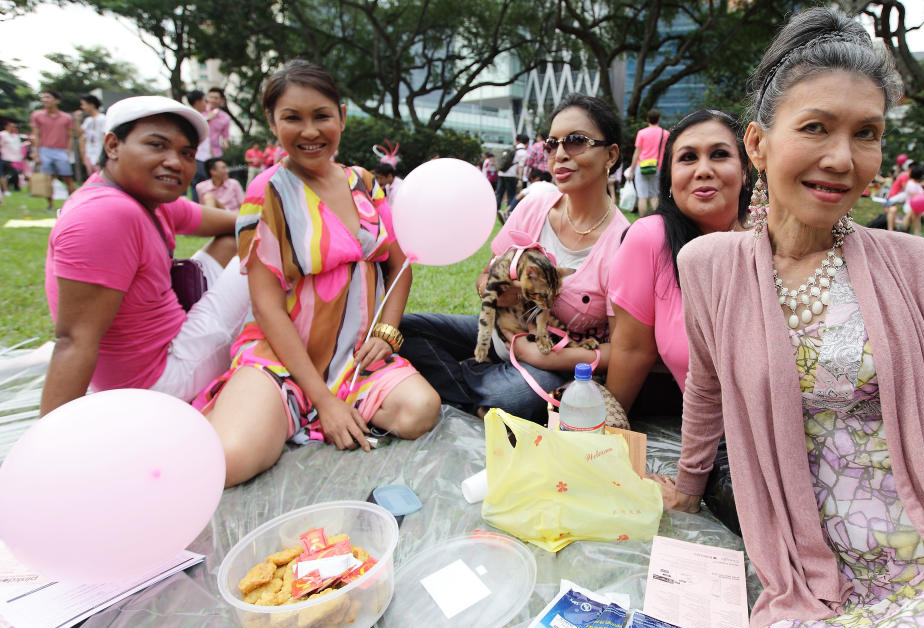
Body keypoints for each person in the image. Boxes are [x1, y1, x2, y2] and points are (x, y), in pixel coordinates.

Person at [658, 8, 924, 628]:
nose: (843, 159)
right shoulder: (709, 265)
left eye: (867, 133)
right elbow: (706, 386)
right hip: (809, 565)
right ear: (758, 144)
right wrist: (688, 488)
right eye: (816, 128)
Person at [192, 60, 440, 488]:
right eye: (293, 118)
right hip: (283, 359)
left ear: (341, 117)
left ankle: (304, 413)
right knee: (229, 461)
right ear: (273, 122)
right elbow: (266, 306)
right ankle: (289, 407)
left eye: (321, 116)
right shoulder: (266, 192)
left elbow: (401, 265)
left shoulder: (366, 183)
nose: (309, 131)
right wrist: (323, 400)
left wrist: (386, 332)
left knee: (420, 410)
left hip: (355, 360)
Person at [400, 93, 629, 423]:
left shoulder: (622, 242)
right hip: (498, 333)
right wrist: (497, 287)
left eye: (576, 141)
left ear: (611, 154)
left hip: (554, 362)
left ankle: (463, 382)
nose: (560, 154)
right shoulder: (535, 206)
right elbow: (483, 278)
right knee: (404, 328)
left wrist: (542, 357)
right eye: (552, 144)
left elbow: (621, 351)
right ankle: (478, 383)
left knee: (518, 398)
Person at [41, 96, 248, 416]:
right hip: (156, 382)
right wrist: (50, 444)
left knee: (235, 240)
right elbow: (73, 342)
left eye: (186, 153)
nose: (175, 162)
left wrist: (269, 213)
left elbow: (235, 225)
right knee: (266, 246)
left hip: (166, 344)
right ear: (112, 145)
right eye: (157, 145)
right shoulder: (106, 215)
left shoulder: (143, 197)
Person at [606, 109, 749, 415]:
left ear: (746, 170)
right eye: (687, 158)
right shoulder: (650, 239)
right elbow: (631, 350)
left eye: (720, 154)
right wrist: (607, 435)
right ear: (669, 176)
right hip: (716, 445)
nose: (703, 170)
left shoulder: (780, 236)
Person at [30, 89, 77, 209]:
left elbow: (70, 136)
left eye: (48, 97)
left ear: (56, 100)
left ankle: (73, 204)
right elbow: (36, 135)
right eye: (43, 97)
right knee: (47, 179)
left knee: (67, 178)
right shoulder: (37, 115)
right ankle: (50, 205)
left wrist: (68, 151)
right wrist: (35, 152)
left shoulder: (66, 117)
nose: (44, 99)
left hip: (62, 151)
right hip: (45, 150)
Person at [629, 108, 669, 215]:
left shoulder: (641, 133)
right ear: (659, 119)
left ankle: (643, 221)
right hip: (657, 167)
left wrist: (631, 170)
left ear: (647, 119)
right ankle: (657, 220)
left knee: (642, 196)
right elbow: (667, 152)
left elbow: (636, 153)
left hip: (641, 167)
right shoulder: (665, 134)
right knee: (654, 195)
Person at [494, 133, 528, 217]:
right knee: (511, 194)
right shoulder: (523, 152)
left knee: (499, 193)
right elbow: (521, 167)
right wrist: (520, 179)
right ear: (526, 143)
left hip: (501, 173)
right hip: (511, 175)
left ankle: (495, 210)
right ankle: (509, 212)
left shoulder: (511, 148)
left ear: (517, 140)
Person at [78, 94, 106, 176]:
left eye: (84, 104)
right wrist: (77, 120)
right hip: (89, 153)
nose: (82, 107)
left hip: (99, 152)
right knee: (92, 177)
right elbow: (80, 135)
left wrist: (103, 155)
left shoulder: (103, 119)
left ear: (91, 105)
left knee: (101, 177)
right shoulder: (87, 120)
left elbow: (104, 137)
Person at [0, 121, 23, 195]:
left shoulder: (15, 136)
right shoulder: (2, 135)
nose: (13, 128)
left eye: (14, 126)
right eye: (11, 126)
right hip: (3, 157)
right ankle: (5, 190)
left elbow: (18, 147)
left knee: (12, 174)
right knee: (2, 174)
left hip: (14, 159)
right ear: (6, 126)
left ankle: (6, 188)